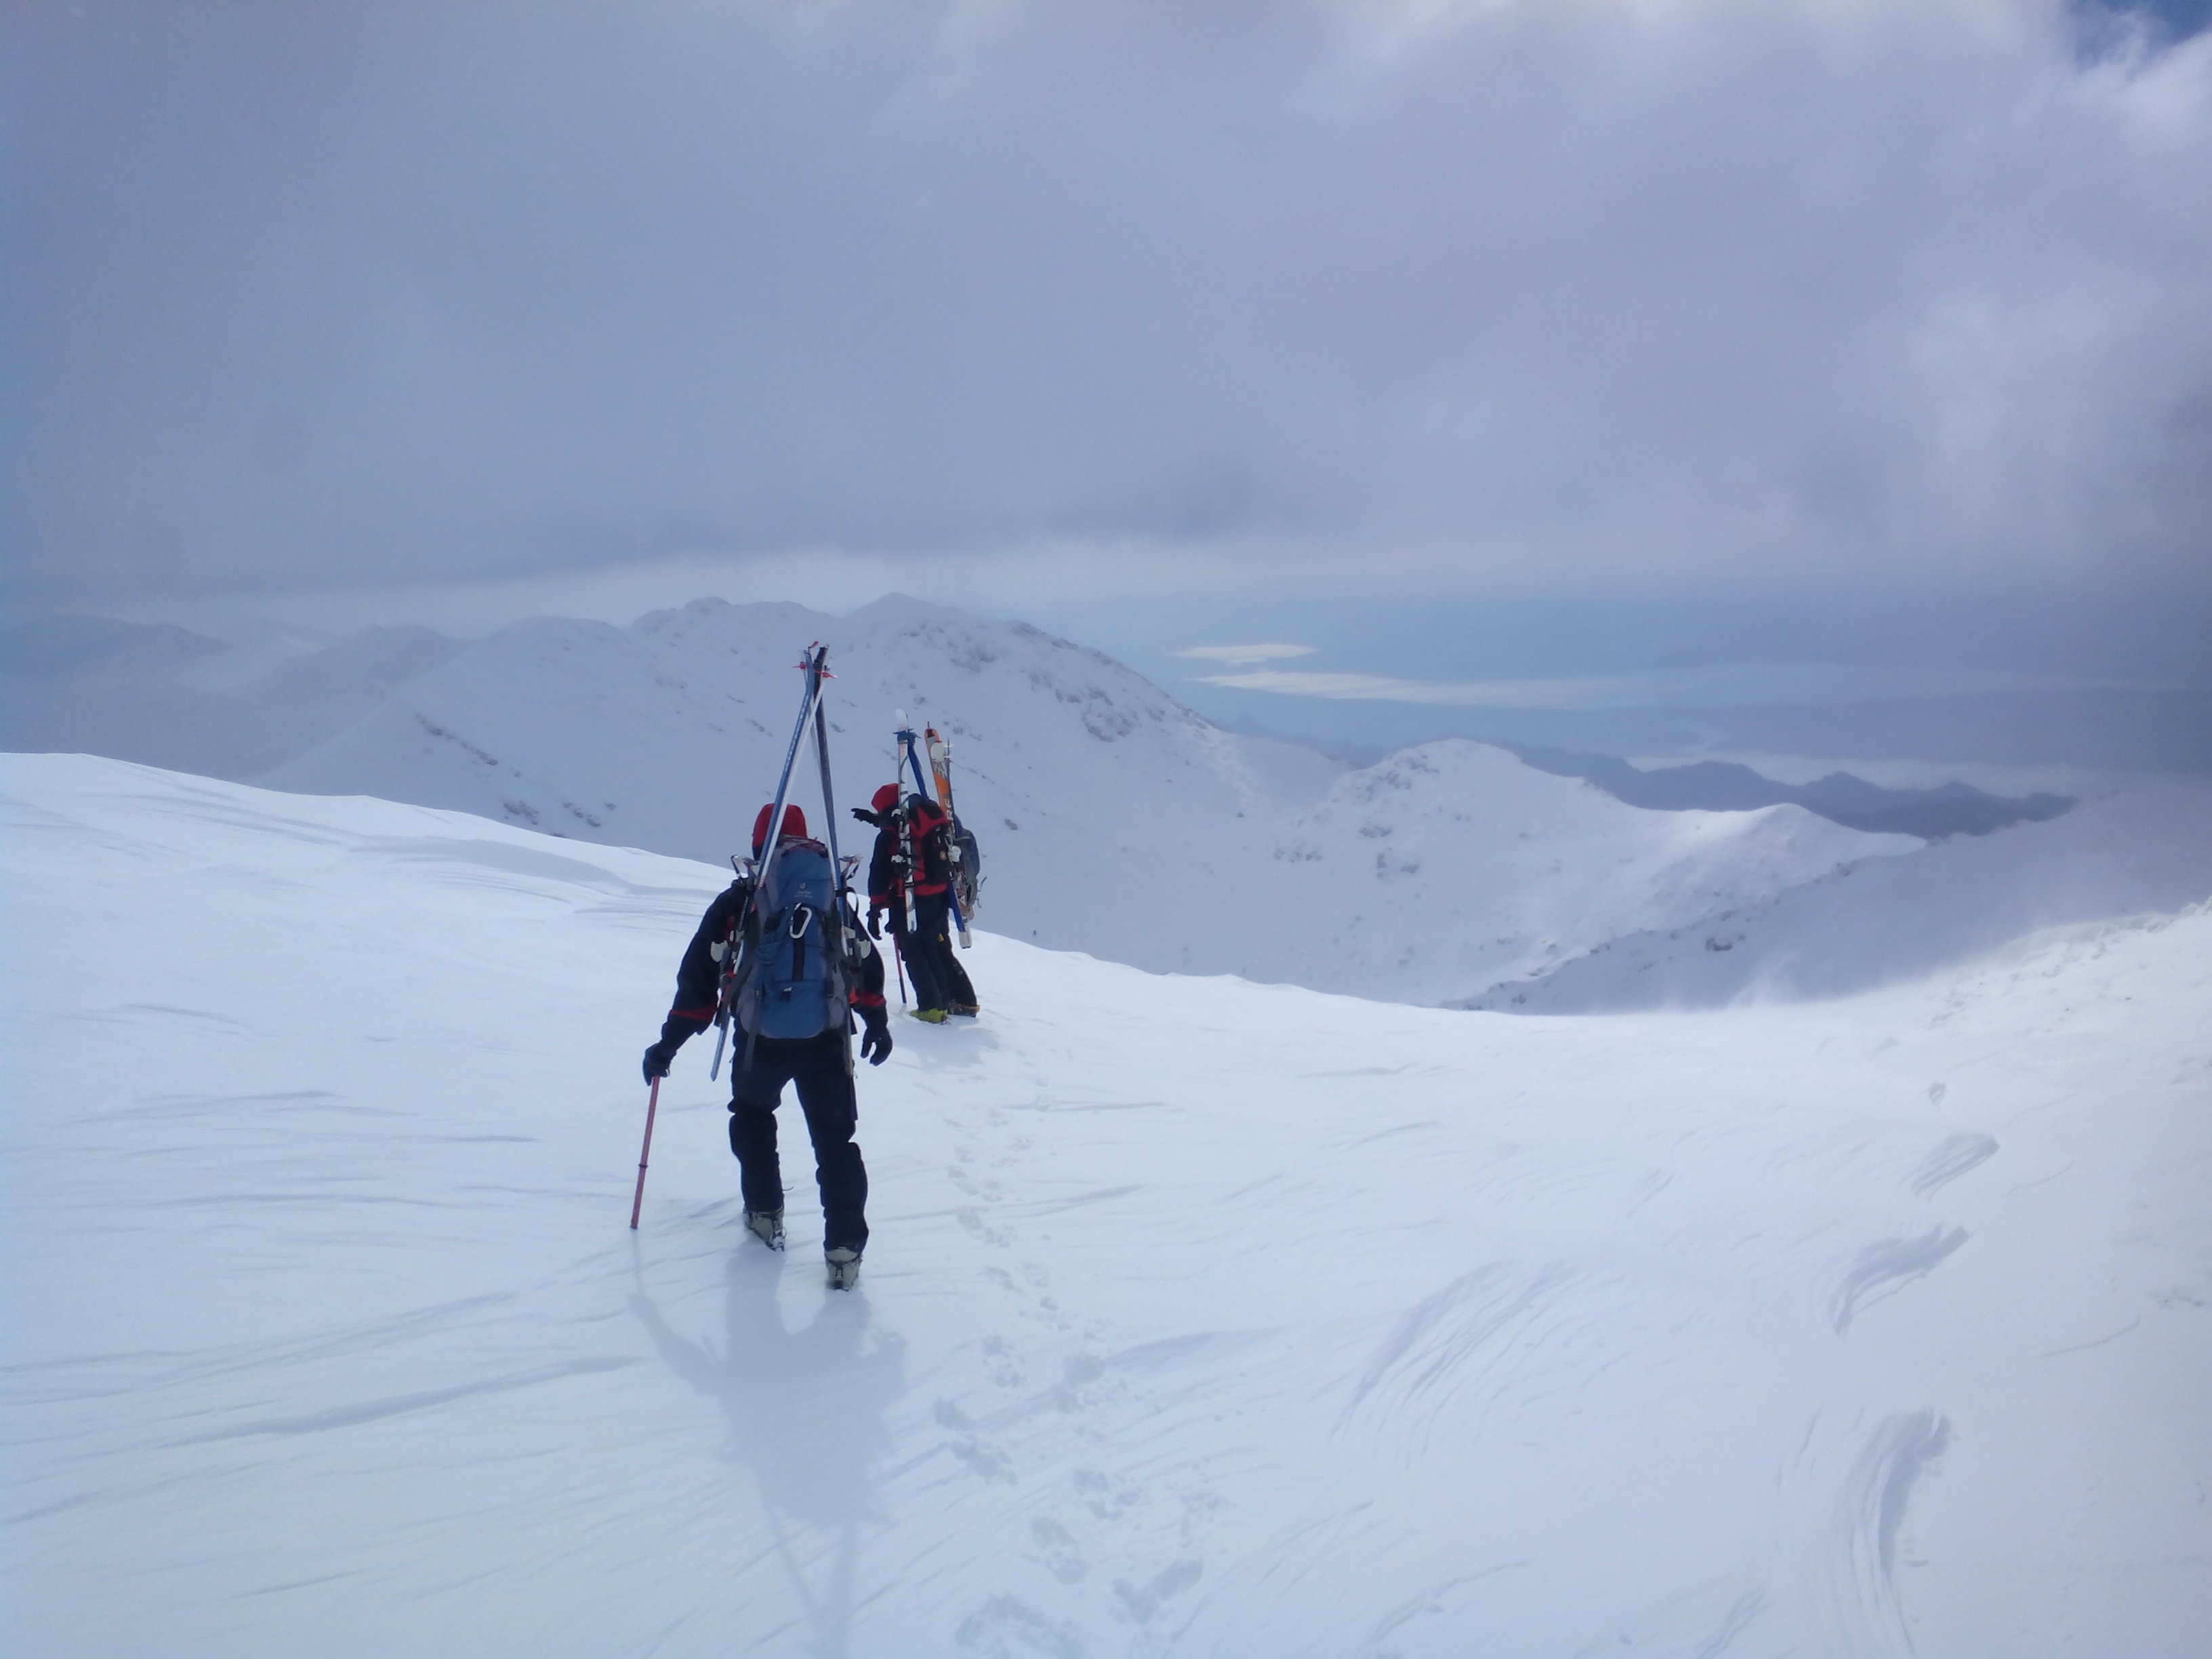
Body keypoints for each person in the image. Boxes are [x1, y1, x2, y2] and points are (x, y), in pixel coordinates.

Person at [642, 802, 892, 1289]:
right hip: (826, 1040)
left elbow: (699, 981)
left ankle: (764, 1212)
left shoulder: (741, 901)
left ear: (760, 845)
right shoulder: (830, 896)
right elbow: (862, 961)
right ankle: (844, 1250)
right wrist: (877, 1021)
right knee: (835, 1144)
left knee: (753, 1117)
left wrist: (667, 1045)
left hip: (760, 1043)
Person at [857, 785, 977, 1021]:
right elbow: (903, 834)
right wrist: (874, 820)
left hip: (910, 900)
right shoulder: (922, 818)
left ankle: (931, 1007)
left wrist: (875, 910)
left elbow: (878, 874)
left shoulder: (891, 834)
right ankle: (963, 1000)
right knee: (939, 948)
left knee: (915, 953)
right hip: (938, 895)